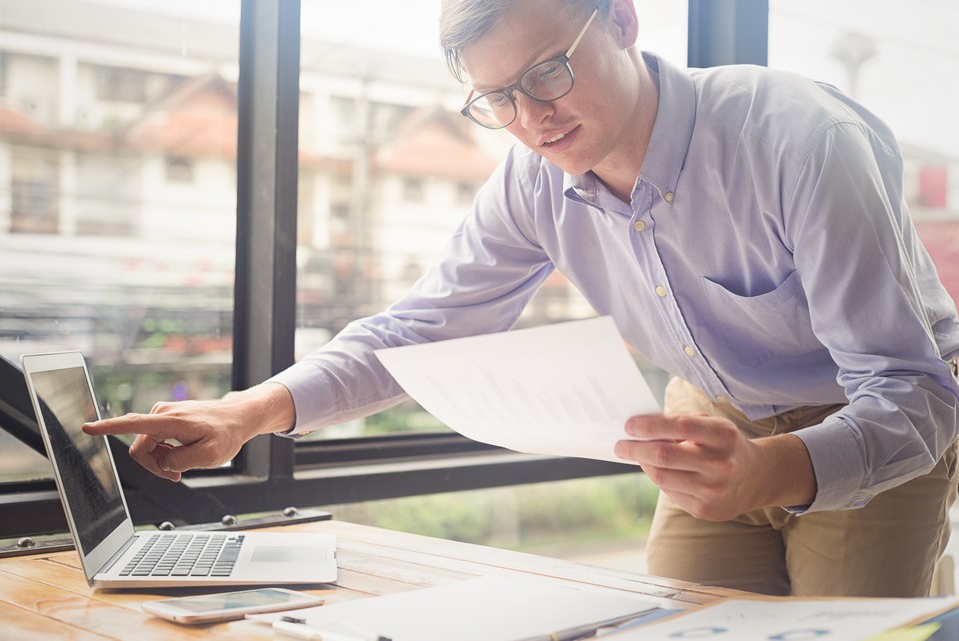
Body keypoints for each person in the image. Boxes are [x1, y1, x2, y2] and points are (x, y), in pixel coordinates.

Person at [83, 0, 959, 598]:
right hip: (712, 414)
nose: (532, 115)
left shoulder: (801, 140)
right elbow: (420, 328)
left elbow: (914, 392)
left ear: (620, 19)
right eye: (496, 97)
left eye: (547, 72)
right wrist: (250, 411)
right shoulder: (531, 179)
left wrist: (782, 466)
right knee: (682, 618)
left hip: (865, 421)